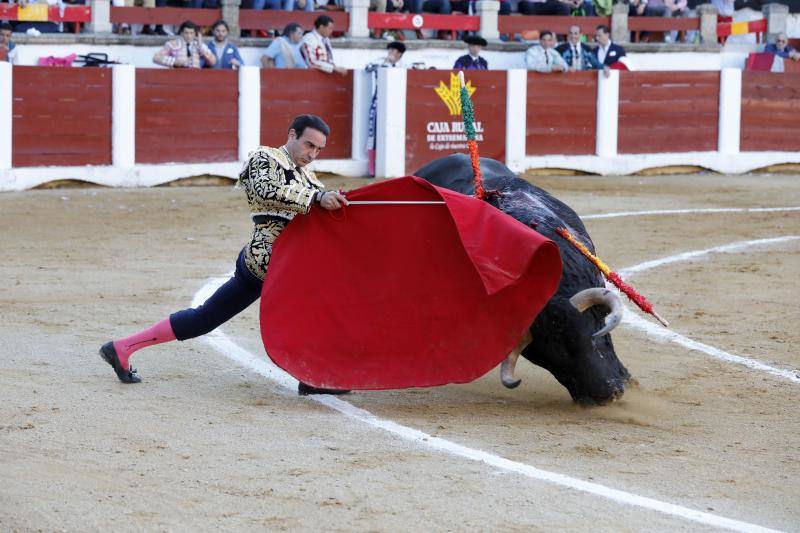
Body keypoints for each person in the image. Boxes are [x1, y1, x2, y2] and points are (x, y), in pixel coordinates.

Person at [100, 115, 350, 396]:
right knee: (321, 301)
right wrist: (316, 199)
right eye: (309, 145)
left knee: (204, 318)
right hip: (269, 258)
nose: (312, 154)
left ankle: (122, 347)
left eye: (318, 150)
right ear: (292, 135)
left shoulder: (308, 176)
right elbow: (266, 190)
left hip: (282, 260)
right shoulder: (265, 158)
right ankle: (312, 376)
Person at [366, 42, 407, 175]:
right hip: (377, 104)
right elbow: (367, 68)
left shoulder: (403, 66)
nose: (391, 53)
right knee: (373, 135)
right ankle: (372, 168)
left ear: (400, 54)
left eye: (394, 51)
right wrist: (385, 63)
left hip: (398, 106)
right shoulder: (380, 62)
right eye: (390, 50)